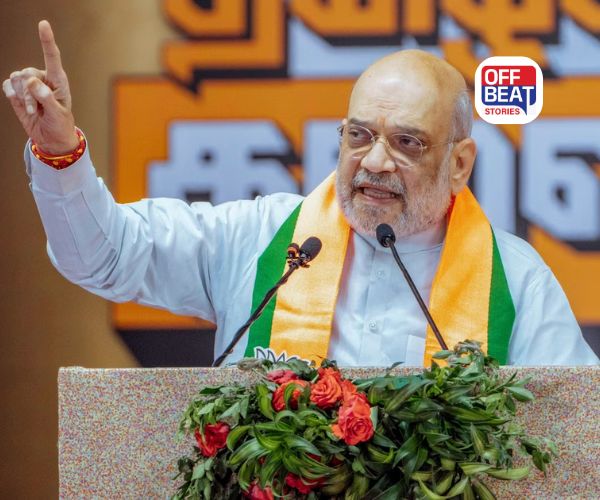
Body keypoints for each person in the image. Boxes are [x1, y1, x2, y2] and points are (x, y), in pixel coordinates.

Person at [4, 21, 598, 367]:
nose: (375, 162)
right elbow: (104, 257)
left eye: (407, 142)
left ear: (459, 163)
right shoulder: (265, 240)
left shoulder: (515, 280)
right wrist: (60, 155)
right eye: (359, 136)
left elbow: (573, 442)